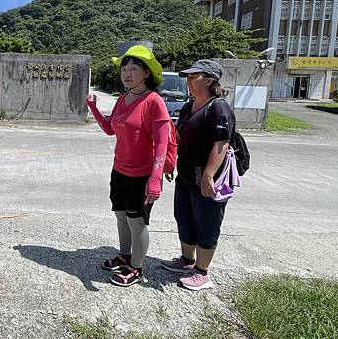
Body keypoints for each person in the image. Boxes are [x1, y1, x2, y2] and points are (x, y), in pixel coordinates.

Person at [87, 45, 171, 286]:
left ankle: (136, 267)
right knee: (121, 216)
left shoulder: (153, 101)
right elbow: (110, 129)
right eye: (124, 67)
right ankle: (125, 256)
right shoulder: (123, 99)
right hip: (119, 170)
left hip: (141, 175)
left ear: (147, 73)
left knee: (137, 222)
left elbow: (162, 144)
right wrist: (93, 108)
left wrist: (155, 180)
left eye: (134, 68)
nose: (127, 72)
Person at [161, 59, 236, 291]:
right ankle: (186, 261)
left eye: (194, 77)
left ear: (211, 80)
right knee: (184, 217)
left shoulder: (219, 108)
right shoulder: (188, 107)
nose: (189, 82)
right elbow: (179, 139)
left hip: (205, 179)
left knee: (206, 222)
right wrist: (170, 163)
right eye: (188, 78)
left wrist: (208, 175)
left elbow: (220, 145)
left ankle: (202, 272)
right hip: (185, 175)